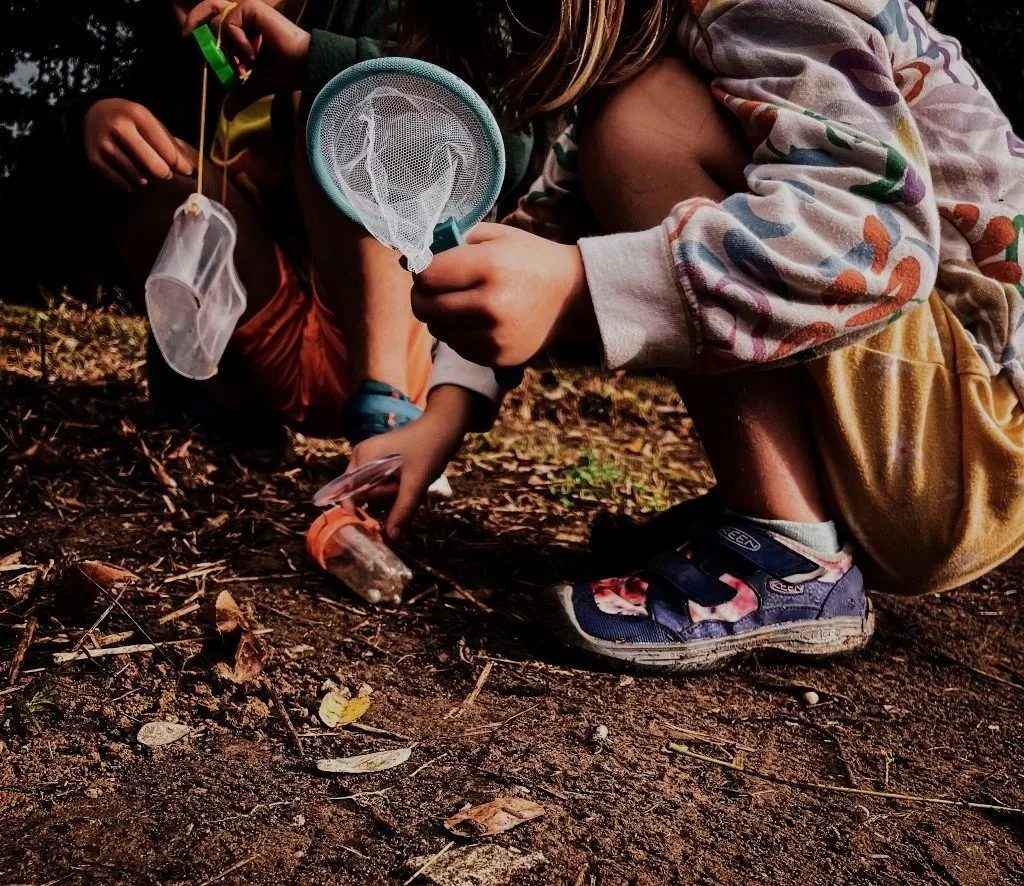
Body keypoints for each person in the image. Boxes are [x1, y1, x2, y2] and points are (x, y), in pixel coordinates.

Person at [189, 0, 1024, 673]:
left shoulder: (755, 7)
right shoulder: (661, 39)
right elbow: (546, 216)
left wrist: (582, 284)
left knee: (638, 122)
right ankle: (786, 513)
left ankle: (788, 548)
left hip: (973, 445)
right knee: (623, 127)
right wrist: (439, 419)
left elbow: (875, 247)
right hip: (934, 445)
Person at [26, 0, 530, 443]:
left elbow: (503, 132)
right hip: (251, 351)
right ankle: (217, 406)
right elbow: (29, 201)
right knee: (147, 151)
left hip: (379, 341)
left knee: (344, 100)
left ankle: (387, 413)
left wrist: (316, 58)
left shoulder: (379, 10)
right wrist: (87, 122)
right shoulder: (178, 60)